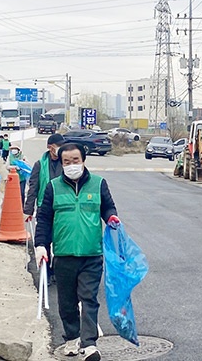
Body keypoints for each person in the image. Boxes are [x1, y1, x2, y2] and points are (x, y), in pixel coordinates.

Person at [34, 143, 119, 361]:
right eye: (67, 162)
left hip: (91, 255)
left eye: (75, 160)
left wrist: (111, 217)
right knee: (67, 301)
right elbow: (44, 218)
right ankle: (71, 337)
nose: (72, 165)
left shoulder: (98, 184)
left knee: (89, 298)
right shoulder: (53, 187)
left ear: (83, 160)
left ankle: (89, 344)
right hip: (63, 255)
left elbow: (108, 207)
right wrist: (41, 245)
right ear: (61, 163)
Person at [24, 133, 65, 285]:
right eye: (58, 145)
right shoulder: (39, 165)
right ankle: (46, 272)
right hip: (44, 209)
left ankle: (56, 270)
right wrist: (28, 210)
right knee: (45, 241)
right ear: (50, 147)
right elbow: (33, 188)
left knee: (60, 242)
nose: (60, 148)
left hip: (63, 208)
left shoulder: (66, 162)